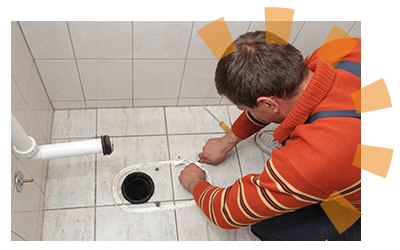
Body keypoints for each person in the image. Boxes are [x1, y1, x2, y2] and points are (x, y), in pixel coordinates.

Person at [178, 31, 361, 241]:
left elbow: (226, 212)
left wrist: (195, 183)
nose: (247, 113)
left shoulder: (314, 159)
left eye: (246, 108)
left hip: (355, 206)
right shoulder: (342, 49)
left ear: (269, 104)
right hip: (365, 157)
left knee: (267, 227)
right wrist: (226, 142)